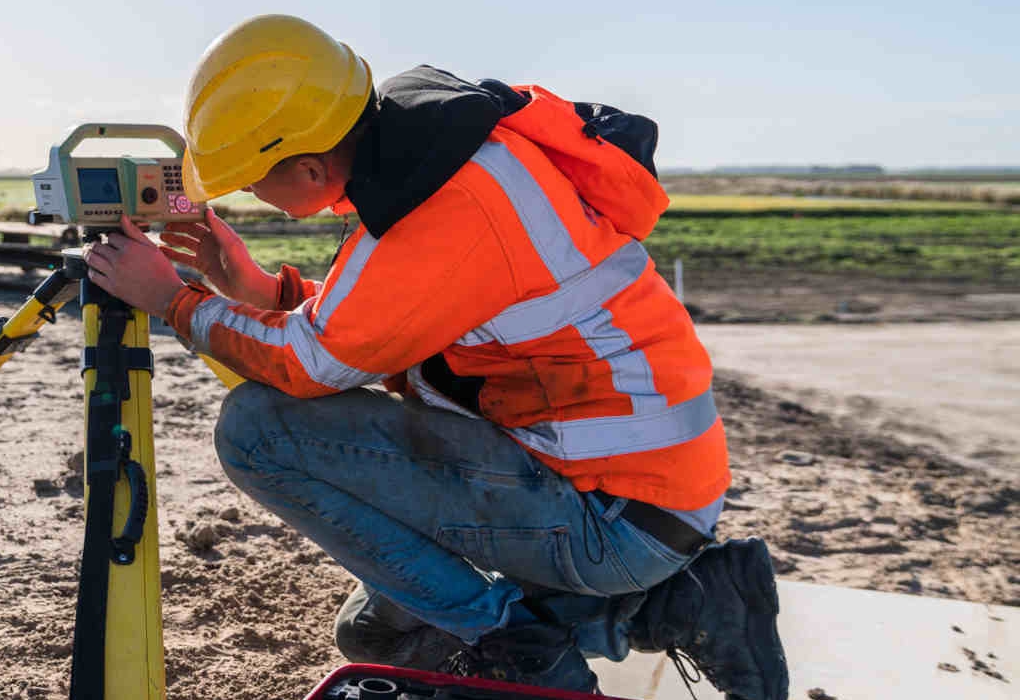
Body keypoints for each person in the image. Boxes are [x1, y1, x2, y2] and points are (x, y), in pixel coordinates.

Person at [82, 14, 787, 698]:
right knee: (378, 632)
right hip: (645, 492)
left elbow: (311, 364)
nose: (252, 197)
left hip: (611, 514)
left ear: (309, 166)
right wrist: (256, 287)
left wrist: (172, 301)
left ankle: (516, 650)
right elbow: (401, 324)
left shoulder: (445, 209)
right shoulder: (455, 161)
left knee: (257, 431)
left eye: (252, 181)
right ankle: (678, 605)